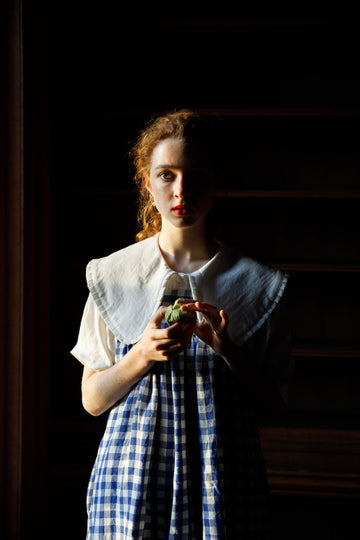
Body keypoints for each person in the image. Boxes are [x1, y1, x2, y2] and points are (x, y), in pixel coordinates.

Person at [71, 109, 293, 539]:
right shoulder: (113, 275)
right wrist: (141, 354)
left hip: (224, 484)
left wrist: (229, 350)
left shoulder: (259, 285)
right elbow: (92, 400)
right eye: (167, 174)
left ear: (217, 181)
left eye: (197, 174)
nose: (182, 190)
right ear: (147, 181)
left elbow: (272, 406)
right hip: (129, 482)